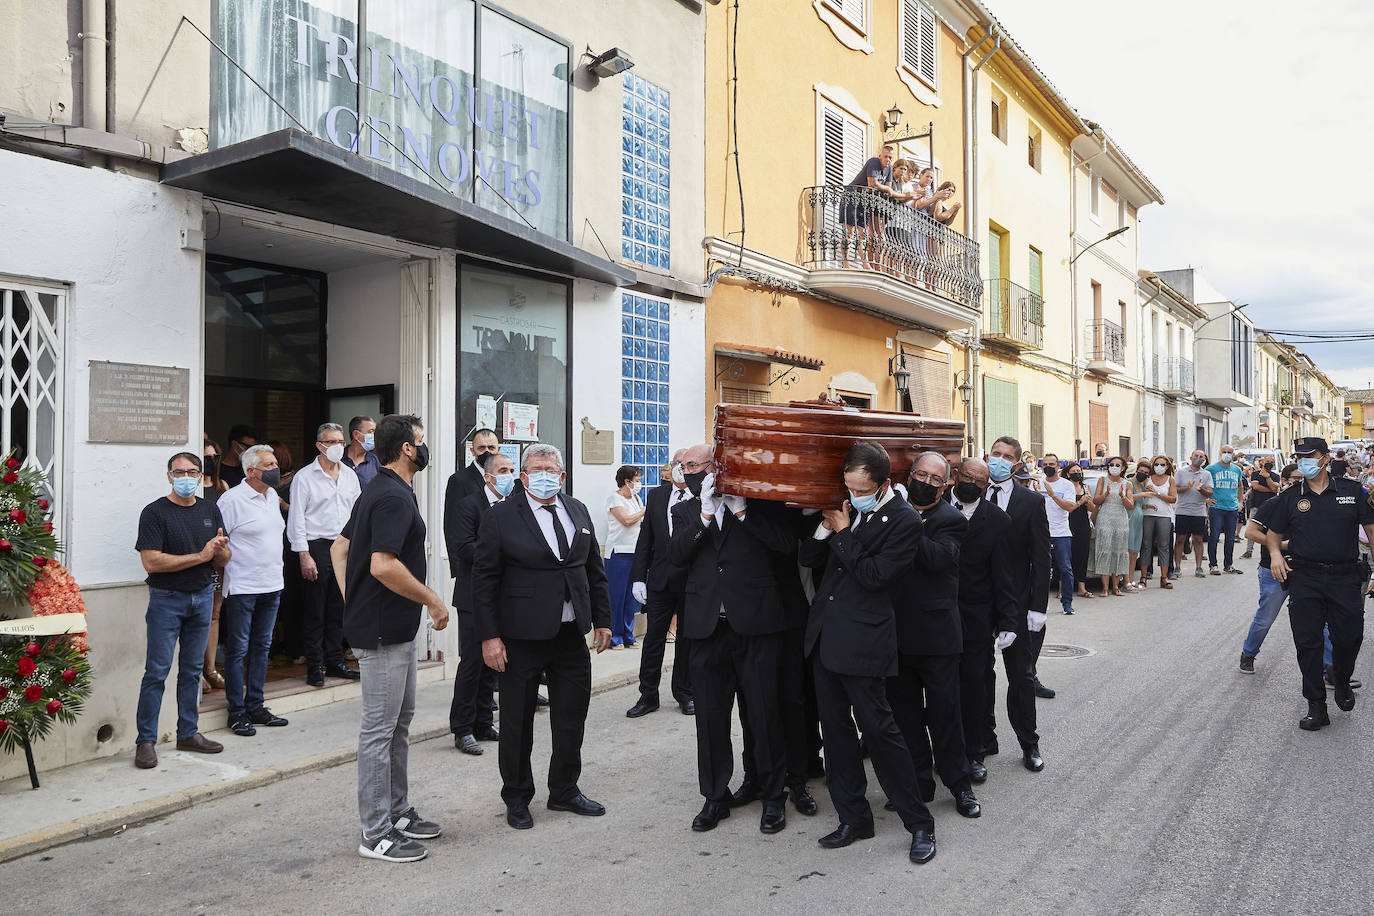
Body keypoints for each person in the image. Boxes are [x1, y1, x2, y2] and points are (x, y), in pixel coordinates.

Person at [803, 442, 936, 864]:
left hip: (864, 643)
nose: (852, 491)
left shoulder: (904, 521)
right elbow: (808, 557)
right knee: (837, 736)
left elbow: (875, 577)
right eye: (848, 484)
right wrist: (826, 528)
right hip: (825, 638)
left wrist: (842, 533)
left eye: (860, 487)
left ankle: (919, 825)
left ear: (882, 484)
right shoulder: (842, 506)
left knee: (881, 733)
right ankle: (854, 818)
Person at [473, 443, 613, 831]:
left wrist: (603, 619)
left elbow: (593, 570)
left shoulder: (577, 510)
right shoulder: (500, 517)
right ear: (522, 475)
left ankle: (565, 789)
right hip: (519, 637)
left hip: (570, 635)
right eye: (535, 468)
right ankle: (517, 797)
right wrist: (489, 637)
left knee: (571, 717)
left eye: (550, 468)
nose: (544, 474)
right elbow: (483, 581)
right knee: (517, 722)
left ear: (562, 475)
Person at [330, 414, 450, 863]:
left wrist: (353, 600)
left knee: (398, 724)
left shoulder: (379, 488)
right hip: (382, 632)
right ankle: (376, 833)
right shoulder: (391, 496)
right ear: (406, 449)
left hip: (389, 627)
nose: (424, 448)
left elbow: (339, 549)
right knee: (379, 732)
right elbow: (382, 564)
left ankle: (397, 812)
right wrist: (434, 601)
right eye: (421, 441)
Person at [669, 445, 795, 836]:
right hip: (707, 627)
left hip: (755, 623)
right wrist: (705, 515)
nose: (688, 472)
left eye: (695, 466)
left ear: (717, 466)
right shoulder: (686, 509)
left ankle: (773, 795)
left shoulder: (758, 501)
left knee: (762, 712)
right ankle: (715, 796)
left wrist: (742, 511)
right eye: (684, 467)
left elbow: (785, 545)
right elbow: (676, 556)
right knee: (709, 717)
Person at [889, 452, 981, 819]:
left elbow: (935, 559)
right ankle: (919, 783)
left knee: (945, 716)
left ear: (946, 485)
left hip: (938, 637)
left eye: (934, 479)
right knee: (906, 716)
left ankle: (959, 785)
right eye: (920, 475)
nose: (925, 483)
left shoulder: (952, 520)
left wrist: (904, 516)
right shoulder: (892, 511)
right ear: (910, 475)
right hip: (896, 635)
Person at [1264, 438, 1374, 731]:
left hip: (1345, 577)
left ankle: (1341, 677)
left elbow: (1372, 532)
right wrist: (1275, 554)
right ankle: (1316, 706)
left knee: (1350, 638)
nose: (1303, 462)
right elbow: (1273, 535)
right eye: (1299, 457)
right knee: (1307, 643)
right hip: (1305, 579)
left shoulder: (1352, 492)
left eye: (1309, 456)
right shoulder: (1289, 497)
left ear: (1325, 459)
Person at [133, 452, 230, 769]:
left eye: (192, 472)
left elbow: (221, 559)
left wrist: (221, 551)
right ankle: (145, 741)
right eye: (179, 472)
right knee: (157, 672)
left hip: (202, 596)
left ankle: (188, 733)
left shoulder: (209, 509)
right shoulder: (154, 513)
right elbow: (152, 561)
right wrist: (202, 555)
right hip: (166, 599)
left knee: (192, 670)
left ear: (202, 476)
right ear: (169, 476)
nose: (186, 477)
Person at [981, 436, 1050, 772]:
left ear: (1017, 463)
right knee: (978, 677)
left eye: (1008, 456)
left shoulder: (1030, 501)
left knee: (1021, 677)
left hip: (1018, 604)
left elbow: (1041, 558)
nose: (1000, 460)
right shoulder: (968, 493)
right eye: (996, 454)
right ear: (986, 455)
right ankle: (982, 742)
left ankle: (1029, 744)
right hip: (977, 603)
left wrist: (1038, 607)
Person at [948, 458, 1018, 785]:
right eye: (967, 477)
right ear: (955, 476)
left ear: (987, 486)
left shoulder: (999, 521)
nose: (972, 484)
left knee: (974, 686)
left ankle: (973, 753)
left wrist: (1007, 621)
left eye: (980, 481)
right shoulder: (934, 510)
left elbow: (1004, 576)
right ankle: (944, 751)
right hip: (934, 616)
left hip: (976, 618)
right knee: (940, 688)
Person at [217, 444, 290, 737]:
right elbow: (220, 545)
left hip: (272, 584)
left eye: (274, 463)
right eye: (269, 465)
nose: (275, 469)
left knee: (262, 648)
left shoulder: (271, 495)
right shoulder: (232, 500)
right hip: (243, 587)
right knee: (238, 650)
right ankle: (236, 712)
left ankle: (256, 705)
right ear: (251, 471)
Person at [287, 423, 363, 688]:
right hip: (316, 545)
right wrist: (303, 554)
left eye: (340, 442)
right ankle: (314, 665)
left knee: (338, 608)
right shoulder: (305, 477)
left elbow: (357, 514)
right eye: (331, 442)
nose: (337, 447)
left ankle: (335, 661)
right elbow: (296, 519)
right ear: (319, 446)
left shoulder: (350, 476)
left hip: (344, 546)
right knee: (315, 610)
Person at [446, 450, 511, 755]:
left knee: (493, 664)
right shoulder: (468, 506)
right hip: (473, 595)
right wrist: (501, 550)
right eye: (503, 470)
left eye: (512, 469)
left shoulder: (514, 505)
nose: (509, 475)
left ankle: (484, 722)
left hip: (504, 595)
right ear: (488, 476)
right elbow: (463, 548)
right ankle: (462, 728)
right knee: (472, 661)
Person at [627, 449, 694, 718]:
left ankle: (685, 692)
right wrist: (637, 578)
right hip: (660, 580)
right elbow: (645, 540)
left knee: (687, 640)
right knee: (653, 639)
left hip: (691, 581)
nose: (680, 468)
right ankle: (648, 695)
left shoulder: (702, 496)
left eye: (686, 464)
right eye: (677, 463)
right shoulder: (656, 495)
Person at [1238, 464, 1304, 673]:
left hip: (1305, 570)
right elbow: (1250, 533)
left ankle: (1328, 670)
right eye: (1296, 478)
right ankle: (1248, 654)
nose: (1301, 482)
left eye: (1304, 478)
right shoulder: (1274, 504)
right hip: (1273, 571)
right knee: (1266, 618)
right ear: (1284, 480)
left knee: (1322, 620)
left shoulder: (1312, 505)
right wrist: (1280, 546)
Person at [604, 464, 646, 649]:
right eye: (636, 480)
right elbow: (627, 520)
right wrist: (646, 509)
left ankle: (629, 635)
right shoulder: (615, 498)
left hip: (635, 552)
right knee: (617, 596)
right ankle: (616, 636)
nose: (639, 484)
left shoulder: (636, 498)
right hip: (618, 553)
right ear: (626, 481)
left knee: (631, 596)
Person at [200, 438, 229, 694]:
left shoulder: (222, 486)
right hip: (197, 559)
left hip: (217, 561)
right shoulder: (193, 486)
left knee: (214, 615)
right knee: (196, 616)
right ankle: (196, 671)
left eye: (214, 456)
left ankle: (210, 668)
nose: (211, 461)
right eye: (206, 457)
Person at [841, 143, 896, 269]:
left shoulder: (889, 169)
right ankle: (846, 264)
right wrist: (883, 187)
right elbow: (872, 183)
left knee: (863, 235)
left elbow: (889, 190)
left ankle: (865, 264)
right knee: (849, 232)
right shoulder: (873, 162)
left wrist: (883, 187)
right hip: (851, 196)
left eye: (890, 158)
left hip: (865, 202)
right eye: (885, 156)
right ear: (880, 156)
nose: (888, 160)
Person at [1039, 453, 1080, 614]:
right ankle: (1040, 603)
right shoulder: (1036, 483)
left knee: (1065, 569)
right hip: (1041, 532)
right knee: (1040, 569)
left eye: (1052, 464)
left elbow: (1070, 507)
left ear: (1058, 467)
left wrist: (1052, 494)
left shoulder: (1066, 485)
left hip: (1061, 533)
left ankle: (1067, 603)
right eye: (1045, 464)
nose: (1048, 467)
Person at [1089, 458, 1134, 596]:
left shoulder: (1127, 484)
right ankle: (1105, 588)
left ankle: (1116, 587)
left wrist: (1122, 496)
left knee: (1119, 551)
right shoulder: (1102, 480)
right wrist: (1106, 494)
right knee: (1105, 551)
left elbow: (1130, 505)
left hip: (1120, 520)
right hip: (1105, 519)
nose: (1114, 467)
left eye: (1117, 465)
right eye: (1111, 465)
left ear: (1123, 468)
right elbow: (1095, 500)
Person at [1137, 456, 1177, 589]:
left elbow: (1173, 498)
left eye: (1162, 464)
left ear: (1167, 466)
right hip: (1147, 514)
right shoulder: (1147, 478)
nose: (1159, 467)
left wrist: (1158, 493)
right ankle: (1143, 577)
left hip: (1164, 515)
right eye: (1156, 464)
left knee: (1164, 546)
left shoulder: (1170, 480)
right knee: (1146, 545)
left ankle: (1164, 578)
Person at [1174, 450, 1214, 579]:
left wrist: (1201, 489)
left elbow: (1210, 493)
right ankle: (1177, 567)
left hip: (1199, 511)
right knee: (1180, 539)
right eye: (1196, 456)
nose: (1198, 458)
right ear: (1190, 457)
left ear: (1204, 460)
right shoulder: (1181, 472)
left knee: (1198, 539)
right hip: (1182, 510)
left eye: (1201, 456)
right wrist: (1186, 487)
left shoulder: (1206, 474)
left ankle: (1199, 567)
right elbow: (1174, 489)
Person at [1205, 445, 1244, 575]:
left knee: (1230, 538)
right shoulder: (1211, 469)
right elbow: (1200, 484)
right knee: (1214, 536)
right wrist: (1206, 500)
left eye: (1229, 452)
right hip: (1216, 507)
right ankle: (1213, 565)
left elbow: (1240, 486)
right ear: (1220, 453)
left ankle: (1228, 564)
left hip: (1232, 508)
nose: (1227, 454)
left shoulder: (1237, 470)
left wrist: (1240, 501)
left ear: (1233, 454)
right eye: (1224, 452)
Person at [446, 429, 502, 508]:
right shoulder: (459, 480)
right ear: (472, 451)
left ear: (498, 450)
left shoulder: (504, 478)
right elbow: (453, 516)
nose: (487, 451)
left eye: (491, 448)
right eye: (481, 448)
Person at [1065, 464, 1094, 600]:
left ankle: (1082, 587)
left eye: (1079, 471)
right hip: (1067, 523)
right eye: (1074, 471)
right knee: (1066, 557)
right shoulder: (1065, 486)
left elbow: (1093, 509)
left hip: (1083, 525)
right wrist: (1080, 501)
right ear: (1068, 474)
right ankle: (1064, 588)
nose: (1077, 473)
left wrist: (1088, 502)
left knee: (1082, 556)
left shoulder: (1085, 487)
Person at [1242, 458, 1280, 559]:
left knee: (1270, 529)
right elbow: (1255, 487)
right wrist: (1270, 489)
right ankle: (1248, 551)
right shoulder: (1255, 474)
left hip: (1271, 507)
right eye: (1267, 461)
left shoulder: (1275, 476)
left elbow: (1275, 488)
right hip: (1257, 505)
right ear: (1262, 462)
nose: (1269, 464)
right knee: (1253, 528)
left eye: (1272, 462)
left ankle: (1270, 550)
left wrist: (1267, 477)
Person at [1124, 460, 1147, 590]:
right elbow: (1130, 497)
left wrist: (1149, 505)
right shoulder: (1129, 483)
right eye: (1141, 471)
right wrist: (1144, 494)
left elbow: (1141, 503)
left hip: (1139, 520)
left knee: (1134, 552)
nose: (1143, 474)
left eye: (1146, 473)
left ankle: (1132, 579)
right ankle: (1125, 580)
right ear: (1136, 470)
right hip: (1130, 519)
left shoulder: (1142, 486)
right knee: (1128, 551)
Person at [342, 415, 381, 490]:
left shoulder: (375, 461)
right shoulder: (338, 459)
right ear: (356, 434)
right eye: (371, 432)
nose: (375, 436)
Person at [218, 425, 258, 489]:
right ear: (234, 444)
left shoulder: (249, 470)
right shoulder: (218, 470)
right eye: (248, 447)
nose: (250, 451)